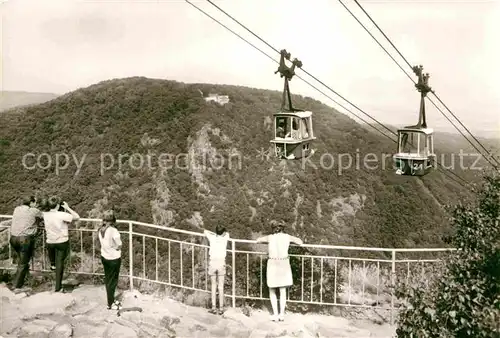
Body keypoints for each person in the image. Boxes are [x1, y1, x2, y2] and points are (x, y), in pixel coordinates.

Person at [256, 221, 303, 322]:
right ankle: (281, 314)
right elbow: (300, 242)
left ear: (273, 228)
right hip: (283, 263)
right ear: (283, 228)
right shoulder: (287, 237)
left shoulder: (270, 237)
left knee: (272, 290)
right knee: (282, 290)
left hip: (272, 263)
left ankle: (275, 314)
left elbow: (258, 240)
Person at [43, 196, 80, 292]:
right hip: (61, 242)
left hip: (50, 242)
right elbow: (77, 217)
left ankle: (53, 266)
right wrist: (67, 208)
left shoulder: (45, 214)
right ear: (58, 205)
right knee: (60, 264)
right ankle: (58, 287)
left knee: (54, 263)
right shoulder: (62, 214)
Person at [8, 196, 43, 290]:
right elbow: (43, 216)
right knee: (23, 264)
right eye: (35, 202)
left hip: (13, 238)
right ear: (31, 203)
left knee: (22, 262)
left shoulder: (17, 209)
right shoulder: (34, 210)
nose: (36, 204)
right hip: (24, 240)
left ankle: (23, 281)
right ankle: (16, 286)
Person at [98, 210, 122, 310]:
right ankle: (110, 304)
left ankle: (111, 300)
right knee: (113, 281)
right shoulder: (113, 231)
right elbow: (119, 244)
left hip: (105, 256)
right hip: (113, 258)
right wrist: (117, 247)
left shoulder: (100, 229)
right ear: (113, 220)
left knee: (108, 279)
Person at [203, 225, 230, 314]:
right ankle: (221, 308)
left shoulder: (211, 238)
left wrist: (214, 234)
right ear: (223, 232)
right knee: (221, 287)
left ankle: (214, 307)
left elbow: (205, 231)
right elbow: (227, 233)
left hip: (213, 263)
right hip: (221, 263)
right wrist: (221, 234)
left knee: (213, 285)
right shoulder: (225, 238)